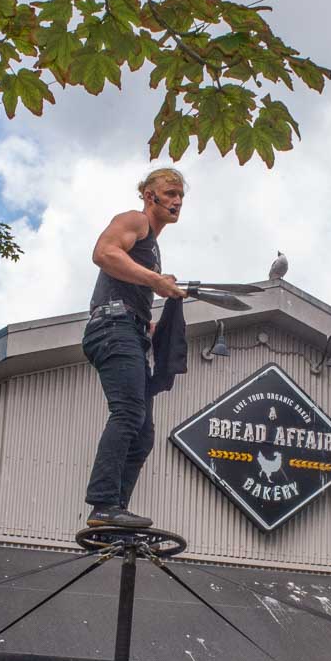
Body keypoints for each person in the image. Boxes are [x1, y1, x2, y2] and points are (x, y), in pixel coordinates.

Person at [83, 167, 188, 529]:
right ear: (149, 195)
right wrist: (156, 281)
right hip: (112, 327)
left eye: (181, 195)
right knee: (128, 413)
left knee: (143, 436)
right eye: (170, 193)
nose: (177, 200)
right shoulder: (135, 221)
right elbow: (104, 253)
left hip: (131, 330)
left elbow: (133, 283)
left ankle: (113, 515)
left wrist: (153, 324)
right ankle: (103, 504)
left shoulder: (152, 248)